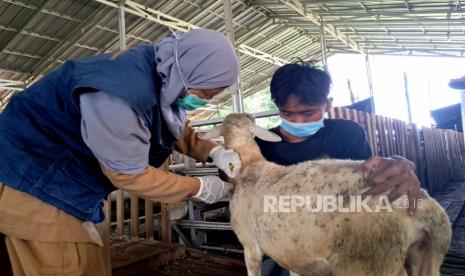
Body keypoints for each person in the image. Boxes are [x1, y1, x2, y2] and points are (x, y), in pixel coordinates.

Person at [0, 29, 242, 275]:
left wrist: (214, 152)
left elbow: (170, 124)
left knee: (93, 260)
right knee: (68, 264)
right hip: (40, 182)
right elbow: (129, 174)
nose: (207, 100)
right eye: (206, 93)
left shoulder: (163, 69)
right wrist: (200, 188)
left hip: (73, 179)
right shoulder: (119, 98)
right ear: (189, 72)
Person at [255, 61, 422, 276]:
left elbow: (365, 185)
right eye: (287, 113)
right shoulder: (262, 143)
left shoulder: (346, 133)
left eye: (308, 113)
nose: (297, 121)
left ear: (327, 104)